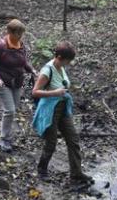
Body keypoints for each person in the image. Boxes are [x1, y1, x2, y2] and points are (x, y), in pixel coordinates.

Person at [32, 41, 94, 186]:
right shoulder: (47, 70)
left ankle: (76, 173)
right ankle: (42, 170)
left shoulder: (61, 67)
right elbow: (34, 92)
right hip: (49, 110)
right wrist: (55, 92)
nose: (68, 63)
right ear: (59, 57)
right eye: (67, 60)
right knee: (51, 142)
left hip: (63, 108)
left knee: (73, 139)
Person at [0, 19, 36, 151]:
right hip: (3, 83)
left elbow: (24, 62)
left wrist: (32, 70)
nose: (20, 36)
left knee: (12, 110)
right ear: (10, 32)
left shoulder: (20, 45)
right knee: (10, 110)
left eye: (21, 33)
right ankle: (4, 139)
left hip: (18, 82)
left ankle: (8, 136)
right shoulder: (1, 46)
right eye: (18, 33)